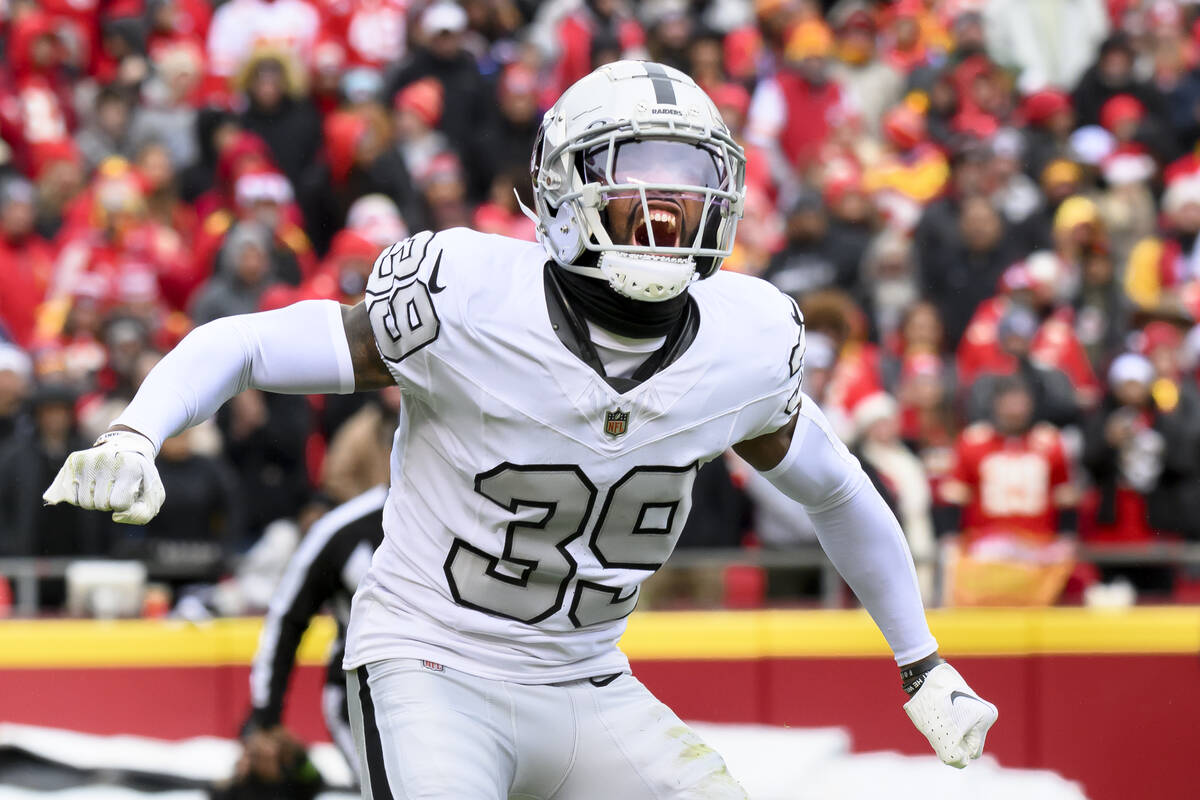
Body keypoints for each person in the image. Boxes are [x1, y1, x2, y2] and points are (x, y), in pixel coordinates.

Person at [45, 62, 996, 797]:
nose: (667, 206)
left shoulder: (746, 343)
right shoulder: (466, 298)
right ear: (560, 188)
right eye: (635, 175)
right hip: (432, 666)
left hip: (588, 680)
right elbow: (253, 345)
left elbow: (834, 489)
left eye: (689, 177)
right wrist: (138, 429)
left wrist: (922, 663)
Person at [243, 485, 388, 781]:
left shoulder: (476, 511)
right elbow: (287, 617)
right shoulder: (341, 530)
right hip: (367, 695)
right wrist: (267, 718)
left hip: (471, 680)